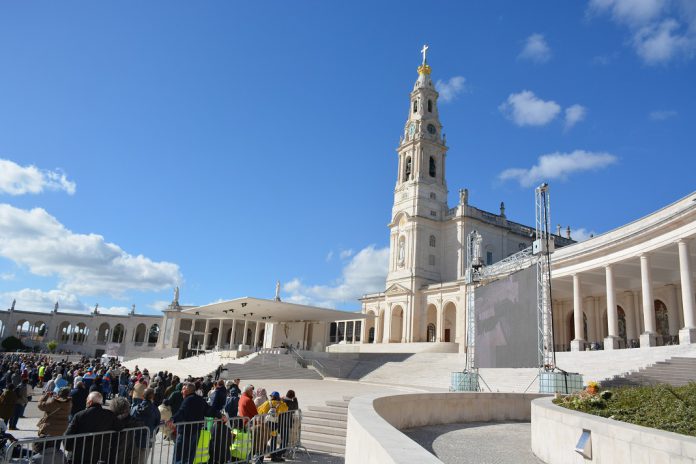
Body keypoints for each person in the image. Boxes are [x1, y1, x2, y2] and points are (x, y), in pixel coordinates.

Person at [169, 382, 226, 464]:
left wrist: (172, 419)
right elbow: (209, 410)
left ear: (188, 390)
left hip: (186, 433)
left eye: (183, 389)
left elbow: (182, 412)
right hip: (195, 432)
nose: (181, 391)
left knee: (180, 457)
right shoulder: (200, 399)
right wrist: (220, 415)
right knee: (190, 457)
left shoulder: (188, 400)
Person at [65, 392, 119, 464]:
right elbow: (119, 427)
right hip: (99, 454)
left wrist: (68, 447)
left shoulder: (79, 415)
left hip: (80, 455)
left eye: (87, 400)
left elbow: (69, 434)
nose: (86, 401)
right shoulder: (110, 414)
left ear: (90, 402)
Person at [110, 396, 146, 464]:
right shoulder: (114, 419)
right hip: (121, 452)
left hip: (126, 451)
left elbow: (142, 424)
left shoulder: (130, 420)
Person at [131, 387, 161, 463]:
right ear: (152, 397)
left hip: (135, 438)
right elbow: (157, 425)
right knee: (142, 460)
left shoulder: (134, 408)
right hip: (148, 438)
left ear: (142, 396)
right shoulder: (155, 410)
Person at [257, 391, 289, 462]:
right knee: (273, 440)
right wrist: (281, 401)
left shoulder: (267, 403)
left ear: (272, 397)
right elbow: (286, 409)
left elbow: (259, 410)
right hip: (275, 424)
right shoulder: (280, 404)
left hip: (267, 424)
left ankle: (260, 458)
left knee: (264, 441)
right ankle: (273, 456)